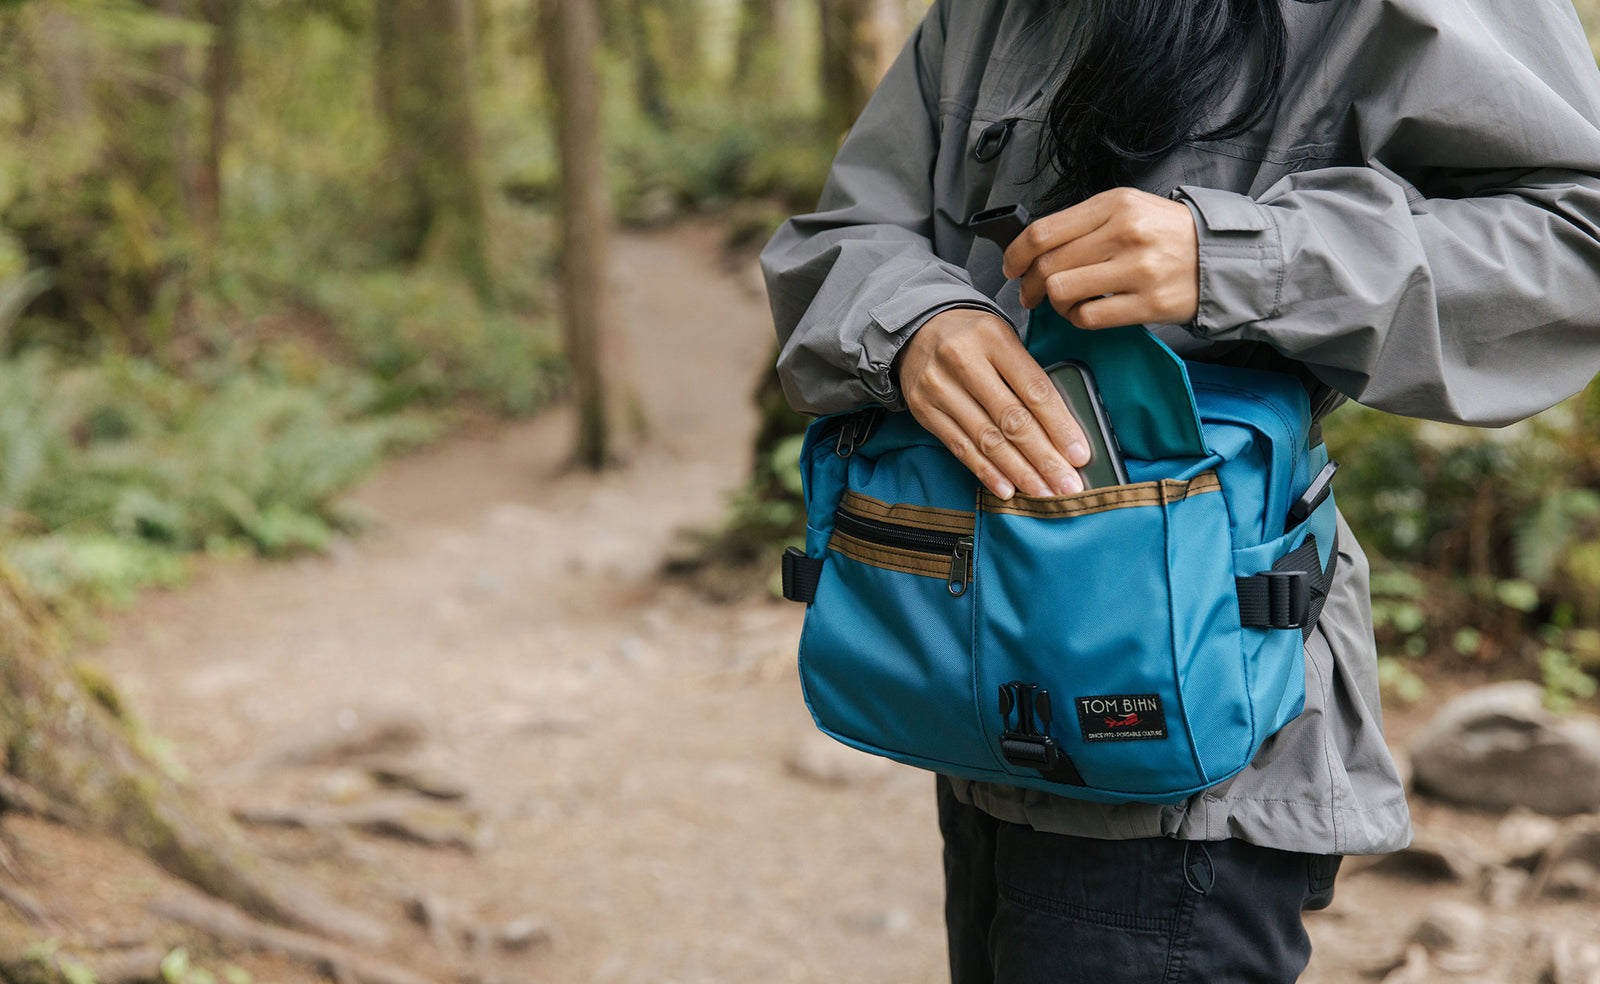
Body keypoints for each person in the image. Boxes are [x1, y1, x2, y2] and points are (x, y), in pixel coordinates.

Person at [760, 0, 1600, 980]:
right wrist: (915, 320)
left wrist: (1241, 257)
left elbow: (1572, 243)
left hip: (1192, 760)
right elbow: (847, 229)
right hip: (974, 699)